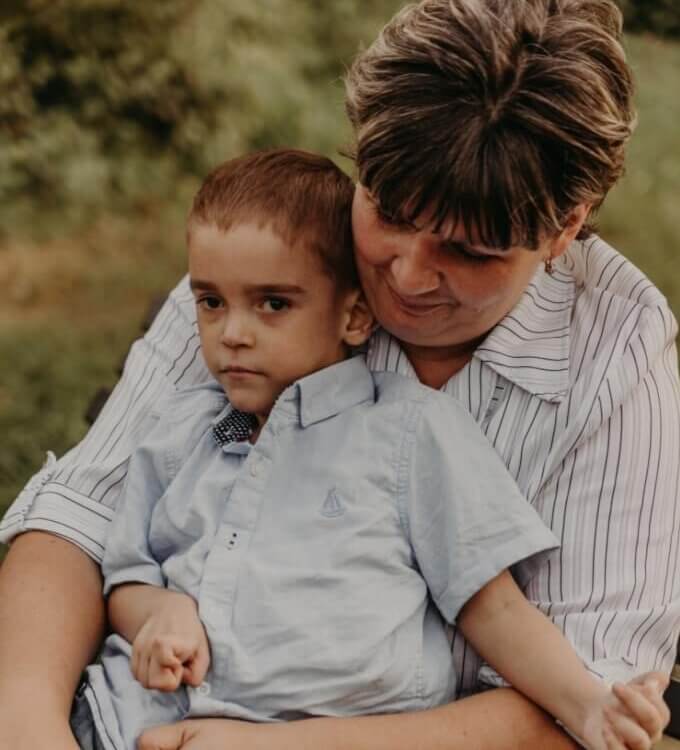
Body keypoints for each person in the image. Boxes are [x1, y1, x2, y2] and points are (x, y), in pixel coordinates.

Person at [0, 1, 678, 749]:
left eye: (469, 251)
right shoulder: (279, 259)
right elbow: (83, 516)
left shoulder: (615, 353)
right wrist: (28, 726)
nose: (406, 277)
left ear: (564, 227)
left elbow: (585, 703)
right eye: (388, 213)